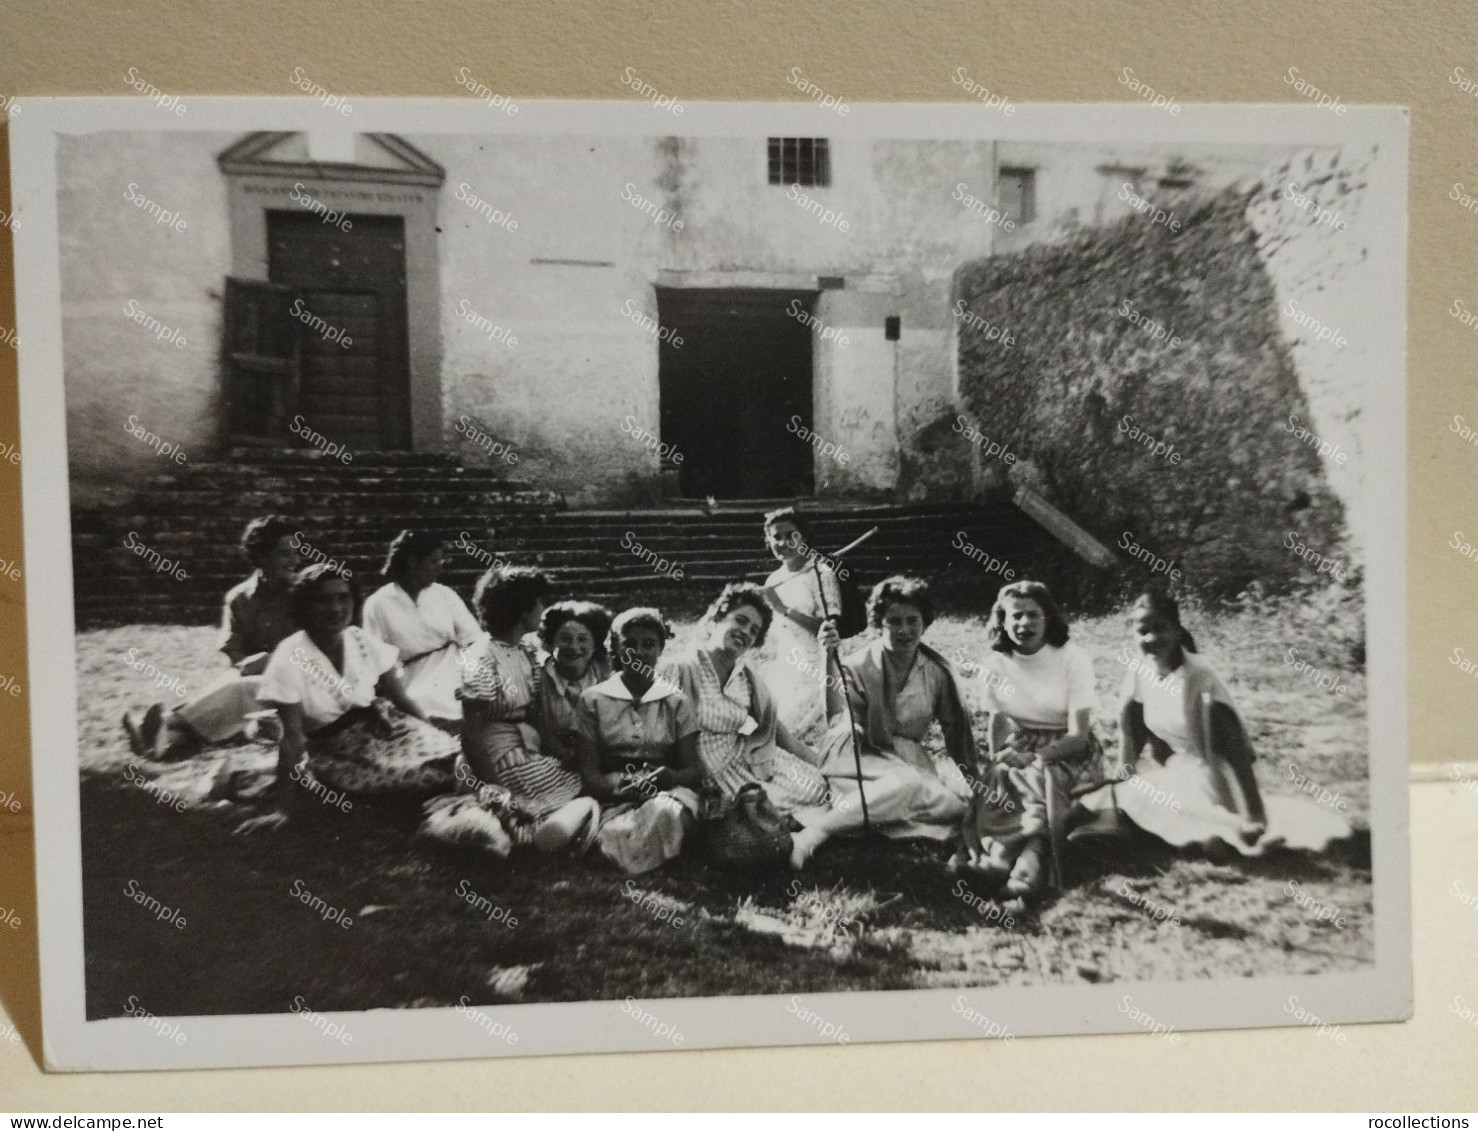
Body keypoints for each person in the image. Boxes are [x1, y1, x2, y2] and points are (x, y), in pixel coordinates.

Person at [236, 564, 487, 838]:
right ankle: (458, 812)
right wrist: (282, 810)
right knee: (434, 777)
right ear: (304, 606)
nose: (336, 608)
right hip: (339, 752)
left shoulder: (360, 640)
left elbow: (401, 699)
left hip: (390, 726)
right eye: (324, 599)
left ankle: (474, 802)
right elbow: (293, 736)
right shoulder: (289, 656)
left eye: (343, 598)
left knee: (461, 758)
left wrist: (435, 735)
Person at [1095, 588, 1351, 856]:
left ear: (1177, 630)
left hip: (1215, 774)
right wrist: (1123, 777)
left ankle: (1226, 831)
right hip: (1179, 770)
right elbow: (1131, 724)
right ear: (1132, 634)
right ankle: (1201, 834)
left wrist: (1255, 813)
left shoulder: (1199, 678)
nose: (1152, 638)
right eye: (1143, 631)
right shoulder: (1140, 671)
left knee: (1152, 802)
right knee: (1125, 795)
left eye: (1160, 629)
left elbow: (1235, 750)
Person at [790, 576, 978, 869]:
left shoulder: (938, 671)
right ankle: (814, 835)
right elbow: (836, 718)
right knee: (909, 785)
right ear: (879, 624)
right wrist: (828, 657)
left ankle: (862, 817)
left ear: (925, 622)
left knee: (954, 807)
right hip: (859, 754)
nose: (904, 630)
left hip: (907, 757)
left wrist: (977, 785)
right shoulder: (856, 665)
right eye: (894, 621)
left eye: (912, 620)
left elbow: (957, 735)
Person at [954, 580, 1101, 897]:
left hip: (1069, 749)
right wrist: (1000, 758)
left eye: (1033, 615)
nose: (1024, 624)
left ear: (1048, 617)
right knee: (996, 780)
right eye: (1015, 616)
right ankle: (1001, 857)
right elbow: (998, 721)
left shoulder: (1072, 658)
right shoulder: (995, 663)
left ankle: (1025, 865)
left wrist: (1037, 757)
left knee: (1035, 780)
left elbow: (1079, 734)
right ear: (1002, 623)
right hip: (1020, 744)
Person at [123, 515, 299, 760]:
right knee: (235, 686)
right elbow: (234, 651)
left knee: (239, 689)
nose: (294, 561)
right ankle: (163, 741)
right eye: (284, 554)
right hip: (254, 689)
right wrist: (247, 663)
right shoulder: (239, 599)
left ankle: (162, 722)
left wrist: (274, 661)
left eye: (295, 553)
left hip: (294, 688)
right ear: (261, 556)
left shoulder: (304, 595)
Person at [455, 566, 601, 853]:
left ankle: (557, 826)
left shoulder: (525, 652)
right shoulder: (482, 657)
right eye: (539, 603)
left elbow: (533, 714)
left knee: (583, 774)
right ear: (523, 610)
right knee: (562, 791)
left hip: (524, 746)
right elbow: (471, 731)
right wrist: (495, 788)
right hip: (495, 756)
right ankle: (542, 831)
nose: (543, 610)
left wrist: (560, 750)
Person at [659, 582, 829, 813]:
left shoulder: (747, 679)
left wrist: (829, 767)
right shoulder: (679, 669)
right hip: (703, 776)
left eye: (753, 631)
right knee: (759, 814)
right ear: (717, 619)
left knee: (821, 787)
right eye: (740, 620)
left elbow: (782, 737)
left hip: (748, 763)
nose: (745, 632)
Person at [574, 608, 704, 873]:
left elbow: (693, 771)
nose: (640, 652)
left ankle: (622, 849)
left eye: (649, 644)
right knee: (621, 820)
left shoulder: (676, 701)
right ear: (616, 649)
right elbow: (588, 769)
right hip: (614, 791)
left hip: (666, 792)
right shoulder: (593, 699)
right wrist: (614, 790)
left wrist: (669, 777)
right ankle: (641, 847)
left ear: (660, 649)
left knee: (667, 812)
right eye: (630, 644)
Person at [362, 530, 483, 725]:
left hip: (454, 670)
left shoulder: (445, 595)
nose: (440, 568)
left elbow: (473, 640)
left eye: (441, 561)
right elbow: (375, 663)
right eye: (433, 561)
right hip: (409, 680)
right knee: (423, 701)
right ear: (412, 562)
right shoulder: (378, 604)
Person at [758, 507, 845, 741]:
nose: (783, 542)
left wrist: (784, 609)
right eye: (776, 536)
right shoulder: (773, 580)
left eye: (791, 535)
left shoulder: (821, 573)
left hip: (817, 669)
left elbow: (828, 629)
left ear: (803, 538)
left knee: (788, 734)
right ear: (768, 540)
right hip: (786, 667)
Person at [534, 600, 614, 766]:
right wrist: (565, 753)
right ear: (551, 642)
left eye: (583, 639)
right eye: (565, 639)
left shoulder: (606, 677)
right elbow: (537, 726)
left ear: (595, 644)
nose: (574, 646)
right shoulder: (537, 678)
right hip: (552, 760)